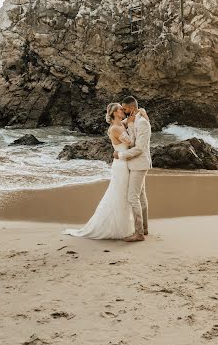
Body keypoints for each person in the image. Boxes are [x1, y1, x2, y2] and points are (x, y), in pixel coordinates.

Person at [62, 101, 150, 241]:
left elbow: (134, 117)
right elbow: (132, 144)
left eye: (124, 109)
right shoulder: (116, 128)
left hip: (126, 162)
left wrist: (142, 112)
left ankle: (138, 228)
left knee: (128, 196)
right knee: (120, 195)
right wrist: (132, 124)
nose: (124, 111)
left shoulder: (122, 123)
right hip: (121, 165)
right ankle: (117, 227)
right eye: (121, 110)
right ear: (115, 113)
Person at [114, 96, 152, 242]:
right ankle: (145, 228)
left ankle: (139, 233)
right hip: (136, 164)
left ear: (131, 109)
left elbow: (139, 149)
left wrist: (121, 155)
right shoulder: (133, 120)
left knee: (132, 197)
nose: (123, 111)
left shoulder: (142, 123)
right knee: (141, 196)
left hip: (140, 163)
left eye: (124, 108)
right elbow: (116, 124)